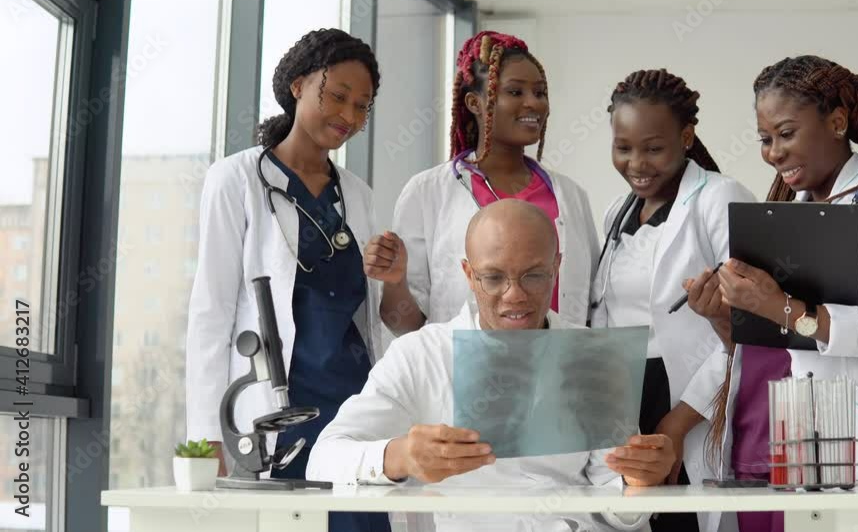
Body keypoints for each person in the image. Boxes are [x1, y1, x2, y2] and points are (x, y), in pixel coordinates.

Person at [307, 200, 674, 532]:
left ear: (556, 267)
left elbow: (617, 513)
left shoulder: (592, 355)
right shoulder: (419, 355)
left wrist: (638, 485)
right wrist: (400, 456)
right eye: (494, 278)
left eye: (533, 275)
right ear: (469, 274)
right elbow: (323, 461)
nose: (515, 295)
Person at [685, 55, 858, 532]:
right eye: (765, 139)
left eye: (785, 133)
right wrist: (721, 315)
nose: (773, 153)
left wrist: (780, 306)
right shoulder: (781, 211)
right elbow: (766, 339)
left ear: (837, 122)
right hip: (766, 431)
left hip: (847, 443)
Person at [185, 28, 390, 532]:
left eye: (361, 107)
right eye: (336, 95)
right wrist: (208, 430)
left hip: (353, 408)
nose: (347, 116)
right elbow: (210, 311)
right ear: (298, 85)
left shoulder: (357, 196)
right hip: (278, 409)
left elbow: (368, 313)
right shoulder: (236, 180)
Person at [590, 69, 755, 532]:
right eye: (623, 147)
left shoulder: (719, 199)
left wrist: (678, 424)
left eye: (653, 148)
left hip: (685, 397)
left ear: (686, 137)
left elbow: (748, 331)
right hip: (623, 393)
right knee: (629, 515)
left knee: (682, 520)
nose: (637, 163)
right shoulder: (615, 212)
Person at [363, 31, 599, 335]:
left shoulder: (570, 196)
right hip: (461, 374)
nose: (533, 103)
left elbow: (591, 306)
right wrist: (395, 281)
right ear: (475, 103)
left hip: (558, 372)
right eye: (515, 92)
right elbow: (407, 326)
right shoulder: (428, 192)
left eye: (539, 93)